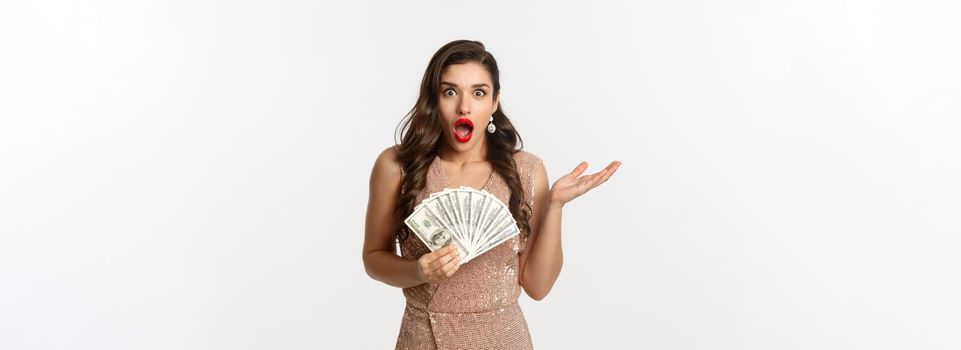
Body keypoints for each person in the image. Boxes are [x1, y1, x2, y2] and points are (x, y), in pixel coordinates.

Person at [362, 39, 621, 349]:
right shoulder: (397, 166)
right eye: (450, 92)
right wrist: (417, 270)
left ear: (495, 102)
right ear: (434, 99)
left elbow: (538, 287)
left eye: (479, 92)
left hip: (504, 339)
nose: (464, 106)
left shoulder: (526, 171)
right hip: (424, 338)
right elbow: (374, 258)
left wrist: (555, 207)